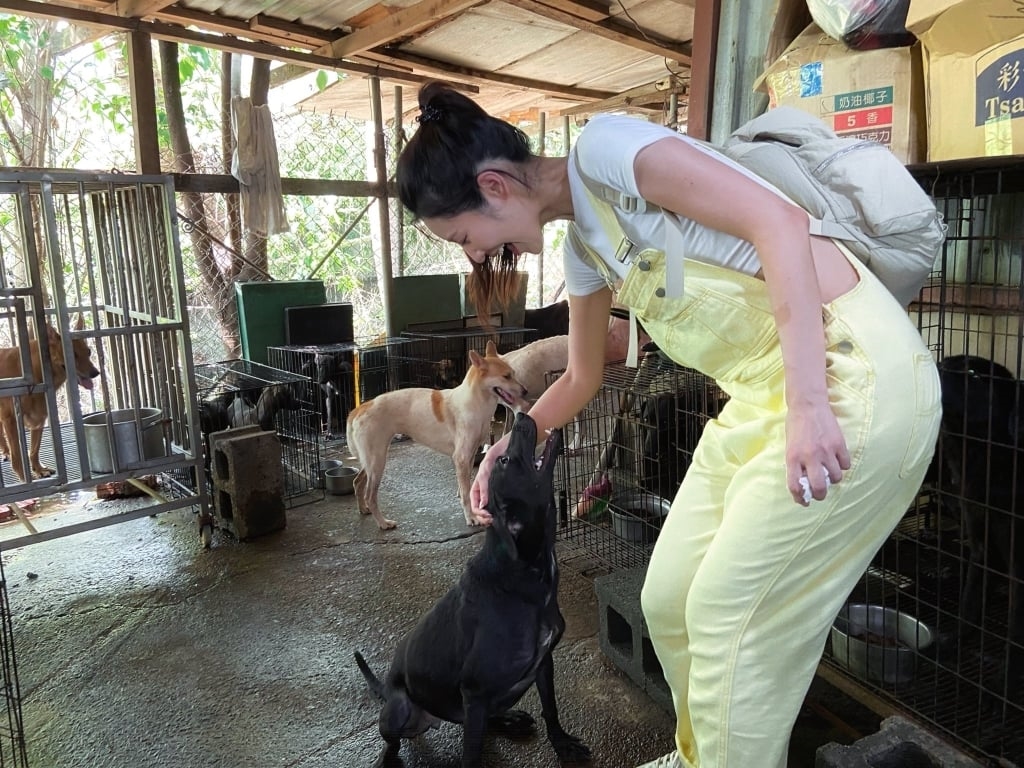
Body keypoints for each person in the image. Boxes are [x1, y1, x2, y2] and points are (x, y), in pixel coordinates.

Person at [396, 81, 941, 768]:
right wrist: (512, 440)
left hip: (850, 379)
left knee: (725, 613)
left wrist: (808, 403)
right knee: (669, 594)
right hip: (761, 399)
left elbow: (780, 225)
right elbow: (581, 376)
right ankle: (702, 755)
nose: (475, 255)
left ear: (496, 187)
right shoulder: (585, 253)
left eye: (463, 236)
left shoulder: (610, 149)